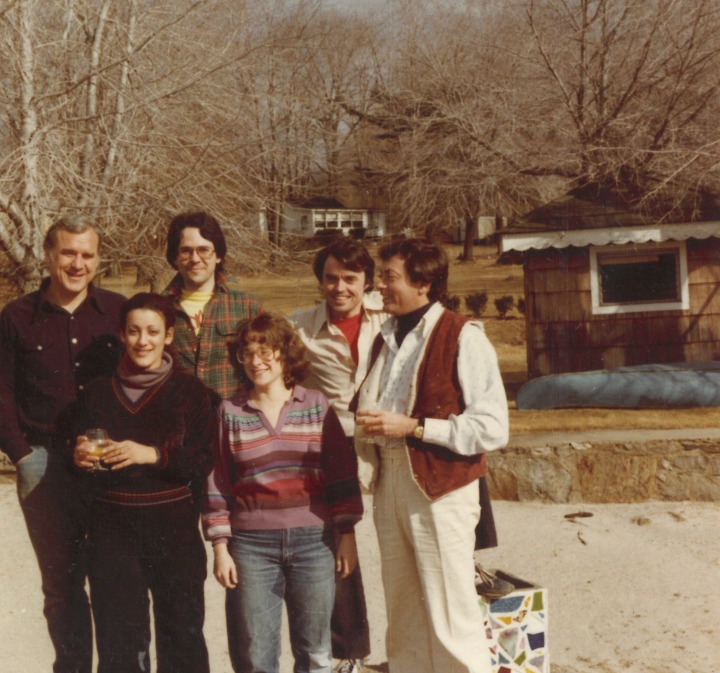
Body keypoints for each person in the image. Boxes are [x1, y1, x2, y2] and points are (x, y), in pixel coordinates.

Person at [355, 238, 509, 673]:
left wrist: (417, 428)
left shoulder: (463, 335)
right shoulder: (385, 336)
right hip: (390, 479)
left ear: (423, 283)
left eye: (389, 277)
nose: (379, 285)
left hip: (441, 488)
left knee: (449, 610)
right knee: (402, 610)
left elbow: (493, 427)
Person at [0, 215, 127, 673]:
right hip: (45, 466)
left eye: (87, 254)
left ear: (98, 259)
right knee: (61, 584)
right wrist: (22, 455)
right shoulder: (18, 316)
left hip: (109, 466)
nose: (77, 263)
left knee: (113, 578)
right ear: (48, 255)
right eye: (68, 253)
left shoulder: (118, 313)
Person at [203, 313, 364, 673]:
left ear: (285, 354)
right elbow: (217, 484)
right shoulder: (229, 412)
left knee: (315, 652)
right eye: (247, 353)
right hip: (251, 547)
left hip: (314, 542)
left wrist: (346, 534)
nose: (256, 361)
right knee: (257, 654)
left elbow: (341, 474)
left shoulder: (316, 406)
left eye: (266, 351)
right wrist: (220, 548)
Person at [68, 293, 215, 673]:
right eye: (133, 331)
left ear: (168, 335)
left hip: (174, 531)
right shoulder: (97, 392)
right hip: (112, 532)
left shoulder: (192, 392)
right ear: (121, 334)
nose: (142, 341)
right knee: (119, 643)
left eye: (153, 331)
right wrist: (78, 455)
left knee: (181, 638)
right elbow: (75, 452)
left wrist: (152, 454)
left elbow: (204, 460)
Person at [288, 238, 385, 673]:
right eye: (331, 278)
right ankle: (348, 653)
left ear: (367, 282)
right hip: (333, 446)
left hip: (388, 439)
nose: (340, 287)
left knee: (405, 540)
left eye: (350, 278)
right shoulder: (300, 327)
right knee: (337, 545)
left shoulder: (392, 317)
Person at [163, 211, 262, 403]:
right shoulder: (158, 309)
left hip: (235, 420)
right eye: (186, 251)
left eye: (203, 250)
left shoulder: (248, 306)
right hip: (180, 422)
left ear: (218, 255)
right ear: (175, 257)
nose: (195, 258)